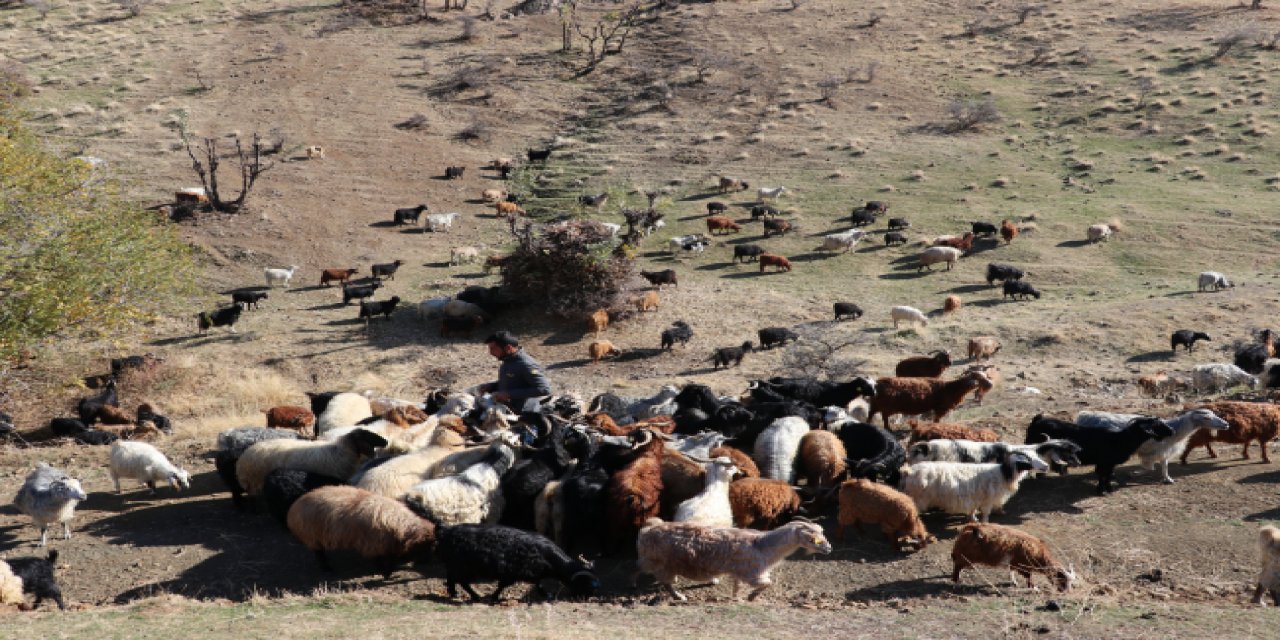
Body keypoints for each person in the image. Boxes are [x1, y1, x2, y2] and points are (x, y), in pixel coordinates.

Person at [478, 331, 552, 410]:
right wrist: (492, 386)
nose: (491, 352)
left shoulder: (526, 364)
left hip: (522, 413)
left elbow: (544, 389)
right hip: (506, 406)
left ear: (508, 348)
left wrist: (509, 394)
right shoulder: (508, 360)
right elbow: (514, 382)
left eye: (493, 348)